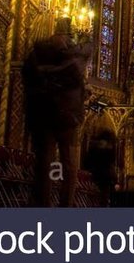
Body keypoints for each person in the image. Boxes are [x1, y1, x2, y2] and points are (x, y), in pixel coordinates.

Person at [21, 19, 92, 207]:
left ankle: (41, 204)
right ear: (68, 33)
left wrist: (45, 78)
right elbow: (78, 78)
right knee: (68, 163)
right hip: (67, 114)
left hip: (42, 112)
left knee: (44, 161)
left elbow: (26, 76)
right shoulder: (74, 53)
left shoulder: (38, 51)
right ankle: (65, 205)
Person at [81, 108, 117, 206]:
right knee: (104, 196)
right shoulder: (110, 147)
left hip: (95, 174)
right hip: (105, 175)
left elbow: (88, 160)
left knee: (93, 196)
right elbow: (112, 161)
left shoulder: (94, 145)